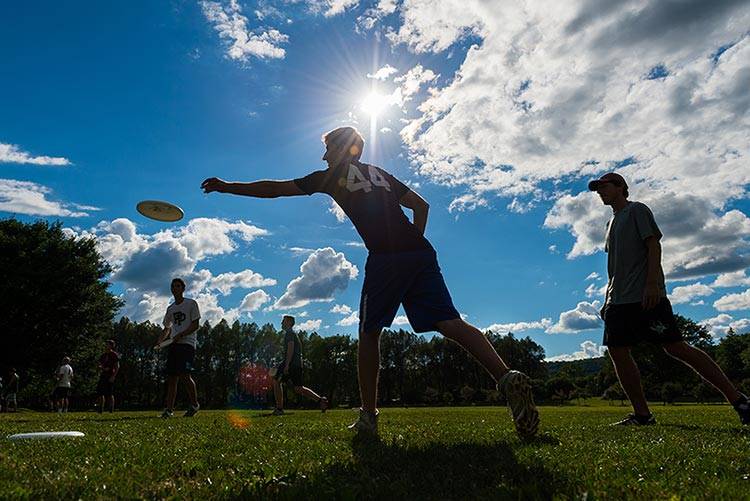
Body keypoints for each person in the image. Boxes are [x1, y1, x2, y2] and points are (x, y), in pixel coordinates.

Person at [201, 126, 539, 437]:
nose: (323, 156)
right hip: (420, 252)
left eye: (327, 148)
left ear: (345, 148)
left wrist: (229, 186)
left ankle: (368, 417)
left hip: (386, 257)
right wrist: (410, 249)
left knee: (368, 332)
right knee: (449, 322)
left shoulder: (331, 177)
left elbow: (276, 190)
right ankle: (506, 377)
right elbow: (421, 206)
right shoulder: (381, 173)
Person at [589, 172, 750, 425]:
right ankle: (642, 415)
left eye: (603, 186)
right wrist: (607, 299)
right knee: (617, 351)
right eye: (597, 188)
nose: (599, 191)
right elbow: (616, 266)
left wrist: (652, 284)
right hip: (617, 301)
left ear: (620, 187)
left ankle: (739, 400)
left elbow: (653, 245)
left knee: (675, 347)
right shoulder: (611, 224)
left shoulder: (637, 211)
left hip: (645, 296)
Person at [156, 278, 201, 418]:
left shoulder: (191, 304)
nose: (175, 288)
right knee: (172, 378)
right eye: (173, 286)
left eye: (178, 286)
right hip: (174, 345)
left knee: (185, 376)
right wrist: (159, 342)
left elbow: (195, 325)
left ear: (183, 289)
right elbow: (167, 328)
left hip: (187, 344)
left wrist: (181, 334)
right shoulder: (170, 308)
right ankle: (169, 410)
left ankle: (194, 405)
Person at [271, 315, 328, 415]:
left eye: (283, 321)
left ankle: (279, 409)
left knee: (276, 381)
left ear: (289, 322)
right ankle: (321, 400)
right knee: (298, 388)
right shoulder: (292, 333)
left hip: (291, 363)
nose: (281, 323)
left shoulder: (289, 333)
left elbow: (291, 348)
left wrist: (287, 365)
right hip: (296, 364)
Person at [96, 340, 120, 413]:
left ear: (111, 346)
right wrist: (101, 367)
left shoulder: (114, 355)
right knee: (100, 392)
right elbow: (99, 364)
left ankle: (111, 409)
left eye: (107, 344)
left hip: (110, 375)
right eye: (105, 344)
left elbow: (117, 366)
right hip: (103, 375)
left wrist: (113, 376)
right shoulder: (103, 355)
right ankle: (100, 409)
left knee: (110, 393)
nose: (106, 345)